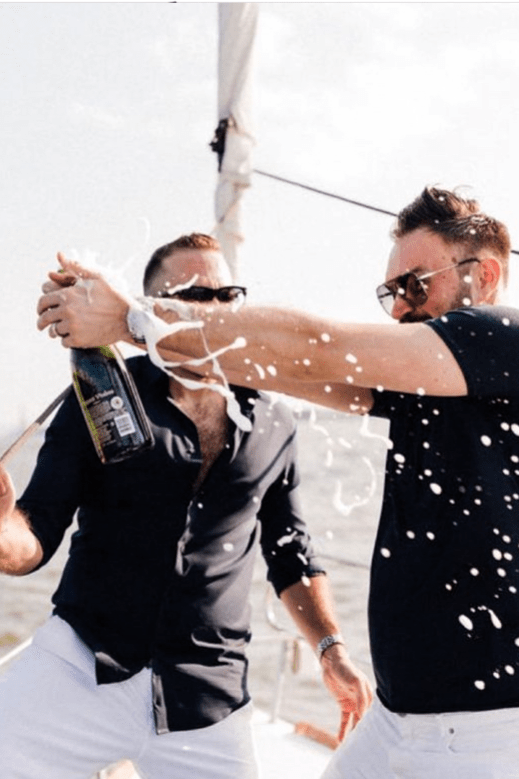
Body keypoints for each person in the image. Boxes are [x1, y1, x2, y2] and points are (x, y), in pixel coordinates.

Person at [38, 186, 519, 778]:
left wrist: (136, 319)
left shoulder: (505, 339)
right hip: (398, 719)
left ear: (486, 275)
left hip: (487, 732)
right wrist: (134, 333)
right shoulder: (439, 381)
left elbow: (326, 345)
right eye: (390, 291)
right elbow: (292, 366)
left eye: (415, 285)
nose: (398, 308)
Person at [0, 232, 371, 779]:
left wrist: (331, 650)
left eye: (227, 296)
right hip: (84, 662)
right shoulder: (99, 394)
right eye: (193, 296)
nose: (214, 310)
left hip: (208, 694)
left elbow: (290, 552)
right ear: (147, 311)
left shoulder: (274, 421)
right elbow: (34, 535)